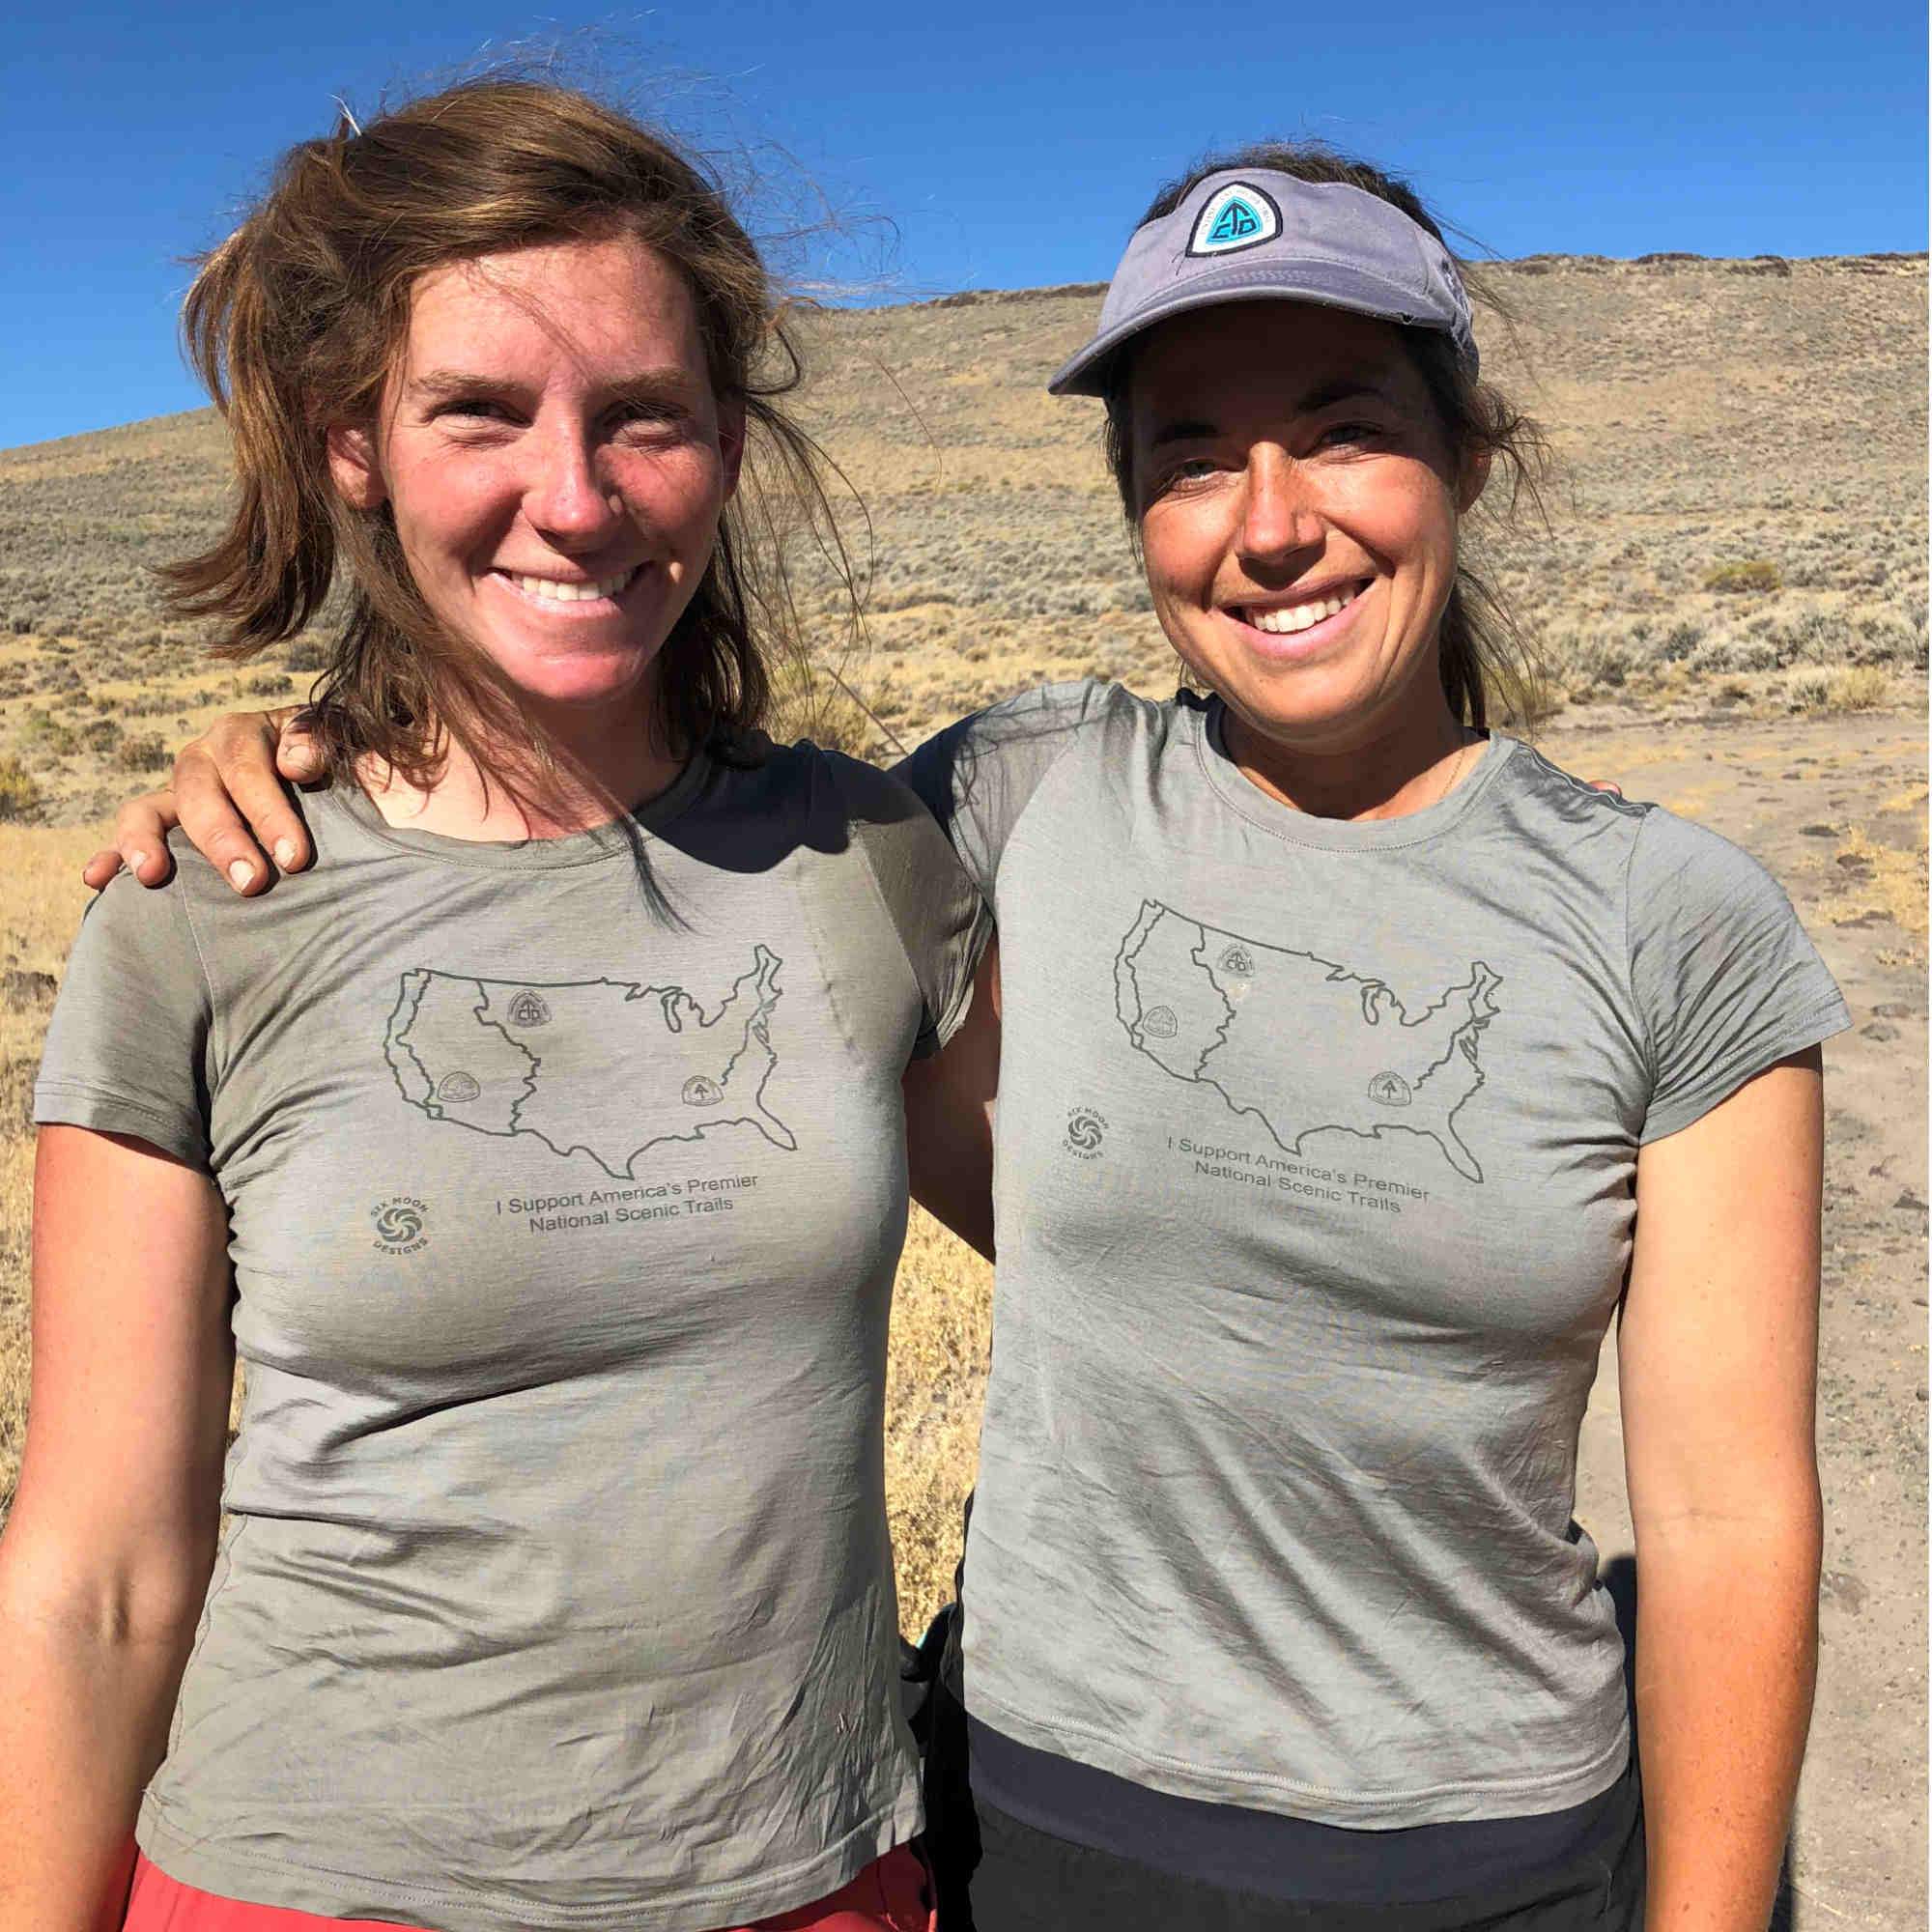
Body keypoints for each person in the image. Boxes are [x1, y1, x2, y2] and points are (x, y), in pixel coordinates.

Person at [91, 148, 1847, 1932]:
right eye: (1187, 454)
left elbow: (1720, 1529)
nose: (1272, 523)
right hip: (1034, 1819)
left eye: (1344, 430)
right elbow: (644, 852)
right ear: (1129, 503)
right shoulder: (1021, 802)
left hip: (1482, 1849)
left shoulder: (1669, 922)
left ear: (1468, 451)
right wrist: (307, 746)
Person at [3, 79, 989, 1932]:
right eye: (481, 413)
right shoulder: (209, 905)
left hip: (811, 1881)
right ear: (355, 447)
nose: (576, 495)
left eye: (644, 419)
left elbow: (1140, 1253)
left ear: (722, 448)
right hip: (315, 1889)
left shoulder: (864, 861)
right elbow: (98, 1577)